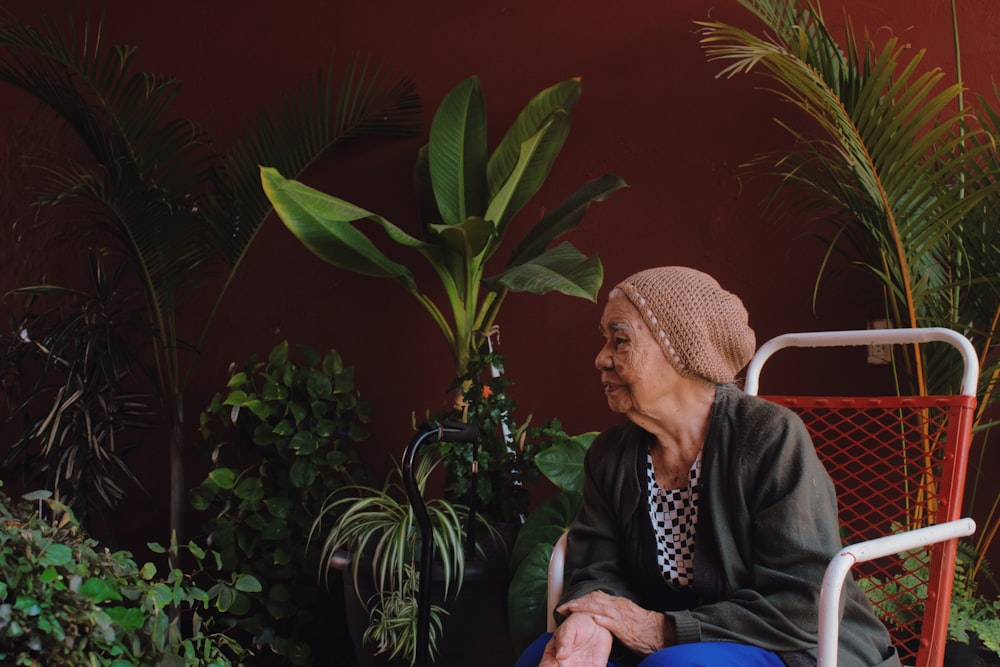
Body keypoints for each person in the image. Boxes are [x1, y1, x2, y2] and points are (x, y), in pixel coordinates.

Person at [514, 267, 899, 667]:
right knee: (544, 656)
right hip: (662, 638)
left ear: (680, 351)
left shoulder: (769, 437)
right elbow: (596, 568)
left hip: (789, 643)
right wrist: (592, 620)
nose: (601, 358)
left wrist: (663, 630)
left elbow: (802, 603)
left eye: (621, 340)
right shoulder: (611, 454)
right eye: (605, 339)